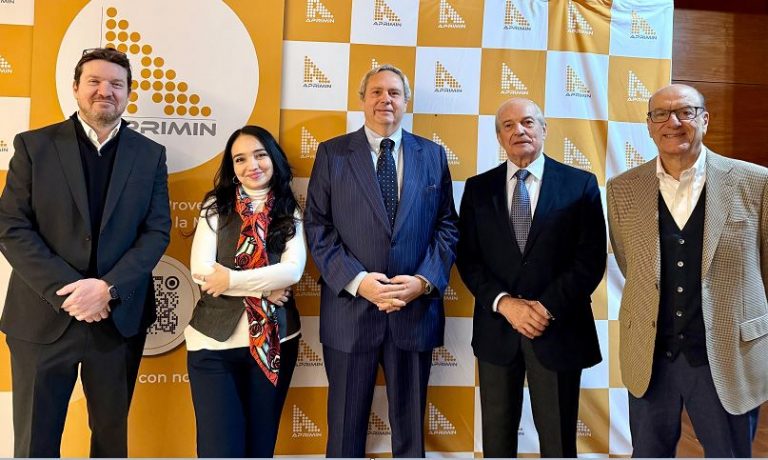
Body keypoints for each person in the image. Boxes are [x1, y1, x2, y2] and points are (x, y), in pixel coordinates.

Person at [0, 47, 170, 457]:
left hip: (117, 321)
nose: (104, 91)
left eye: (116, 84)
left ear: (128, 93)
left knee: (110, 444)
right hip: (42, 319)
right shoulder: (34, 146)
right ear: (76, 88)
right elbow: (11, 226)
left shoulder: (150, 155)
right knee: (34, 444)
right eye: (94, 81)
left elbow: (156, 232)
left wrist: (107, 289)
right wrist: (72, 292)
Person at [304, 64, 458, 457]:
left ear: (406, 102)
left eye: (394, 92)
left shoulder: (432, 155)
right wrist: (359, 282)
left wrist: (422, 282)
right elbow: (317, 226)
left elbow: (447, 226)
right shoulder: (333, 153)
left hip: (414, 312)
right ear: (362, 100)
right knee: (344, 431)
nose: (385, 100)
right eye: (376, 92)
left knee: (410, 434)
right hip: (350, 313)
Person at [607, 83, 768, 457]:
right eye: (661, 114)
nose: (673, 122)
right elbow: (631, 263)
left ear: (705, 120)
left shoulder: (756, 182)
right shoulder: (622, 189)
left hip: (726, 355)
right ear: (649, 125)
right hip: (651, 356)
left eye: (685, 112)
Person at [456, 98, 605, 457]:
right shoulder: (478, 189)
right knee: (497, 441)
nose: (519, 130)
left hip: (557, 329)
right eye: (508, 125)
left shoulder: (580, 184)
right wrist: (505, 304)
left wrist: (544, 308)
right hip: (497, 330)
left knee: (558, 443)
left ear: (543, 129)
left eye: (527, 122)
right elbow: (468, 259)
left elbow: (589, 260)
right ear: (499, 137)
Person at [185, 125, 305, 457]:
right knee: (219, 450)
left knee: (259, 448)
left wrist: (232, 280)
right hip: (213, 346)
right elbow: (201, 270)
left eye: (260, 155)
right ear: (232, 166)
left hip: (275, 342)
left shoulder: (289, 209)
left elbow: (292, 271)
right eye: (240, 159)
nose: (252, 165)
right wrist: (265, 290)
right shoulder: (215, 205)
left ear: (273, 159)